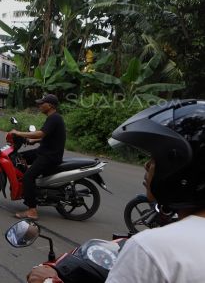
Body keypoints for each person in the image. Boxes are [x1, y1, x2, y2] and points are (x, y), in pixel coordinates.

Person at [26, 99, 205, 283]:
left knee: (28, 176)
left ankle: (31, 208)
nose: (146, 165)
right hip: (46, 154)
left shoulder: (150, 249)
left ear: (179, 166)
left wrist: (50, 281)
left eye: (154, 159)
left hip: (50, 158)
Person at [10, 94, 66, 220]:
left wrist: (19, 133)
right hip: (44, 152)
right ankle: (29, 191)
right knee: (20, 157)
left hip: (49, 156)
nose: (40, 105)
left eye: (42, 103)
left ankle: (32, 211)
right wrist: (33, 141)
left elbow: (41, 133)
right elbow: (48, 136)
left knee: (28, 177)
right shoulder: (52, 118)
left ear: (50, 105)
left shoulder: (54, 118)